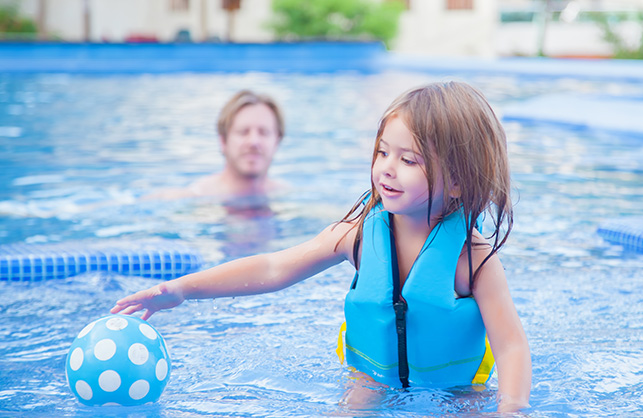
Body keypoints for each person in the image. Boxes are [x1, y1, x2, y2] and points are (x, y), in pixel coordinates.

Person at [111, 81, 532, 413]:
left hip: (456, 391)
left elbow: (511, 345)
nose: (387, 167)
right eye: (383, 151)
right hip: (369, 378)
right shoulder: (358, 235)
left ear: (457, 180)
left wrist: (510, 410)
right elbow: (274, 268)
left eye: (409, 160)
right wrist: (182, 289)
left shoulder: (473, 260)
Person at [148, 90, 285, 199]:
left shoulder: (286, 198)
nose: (254, 142)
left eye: (264, 132)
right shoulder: (194, 198)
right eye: (243, 132)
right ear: (223, 141)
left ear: (277, 142)